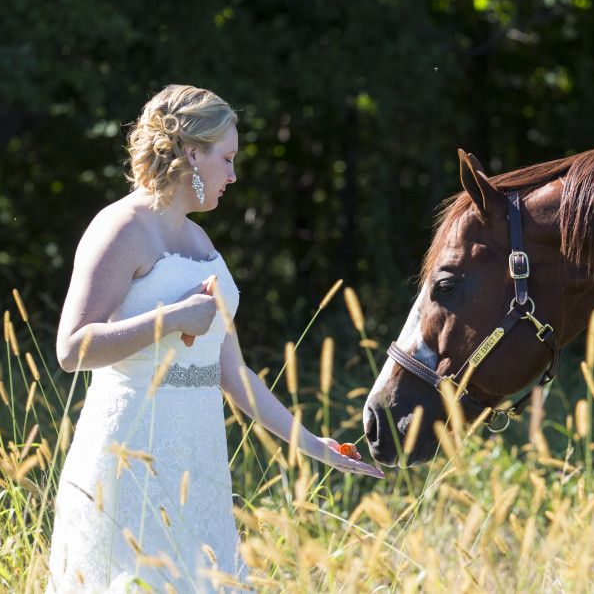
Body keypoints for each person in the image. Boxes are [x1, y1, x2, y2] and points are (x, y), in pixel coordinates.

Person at [46, 84, 383, 593]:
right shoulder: (121, 227)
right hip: (133, 453)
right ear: (190, 152)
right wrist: (171, 317)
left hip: (199, 459)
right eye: (226, 159)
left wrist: (313, 445)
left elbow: (232, 373)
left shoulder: (200, 241)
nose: (232, 174)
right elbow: (71, 350)